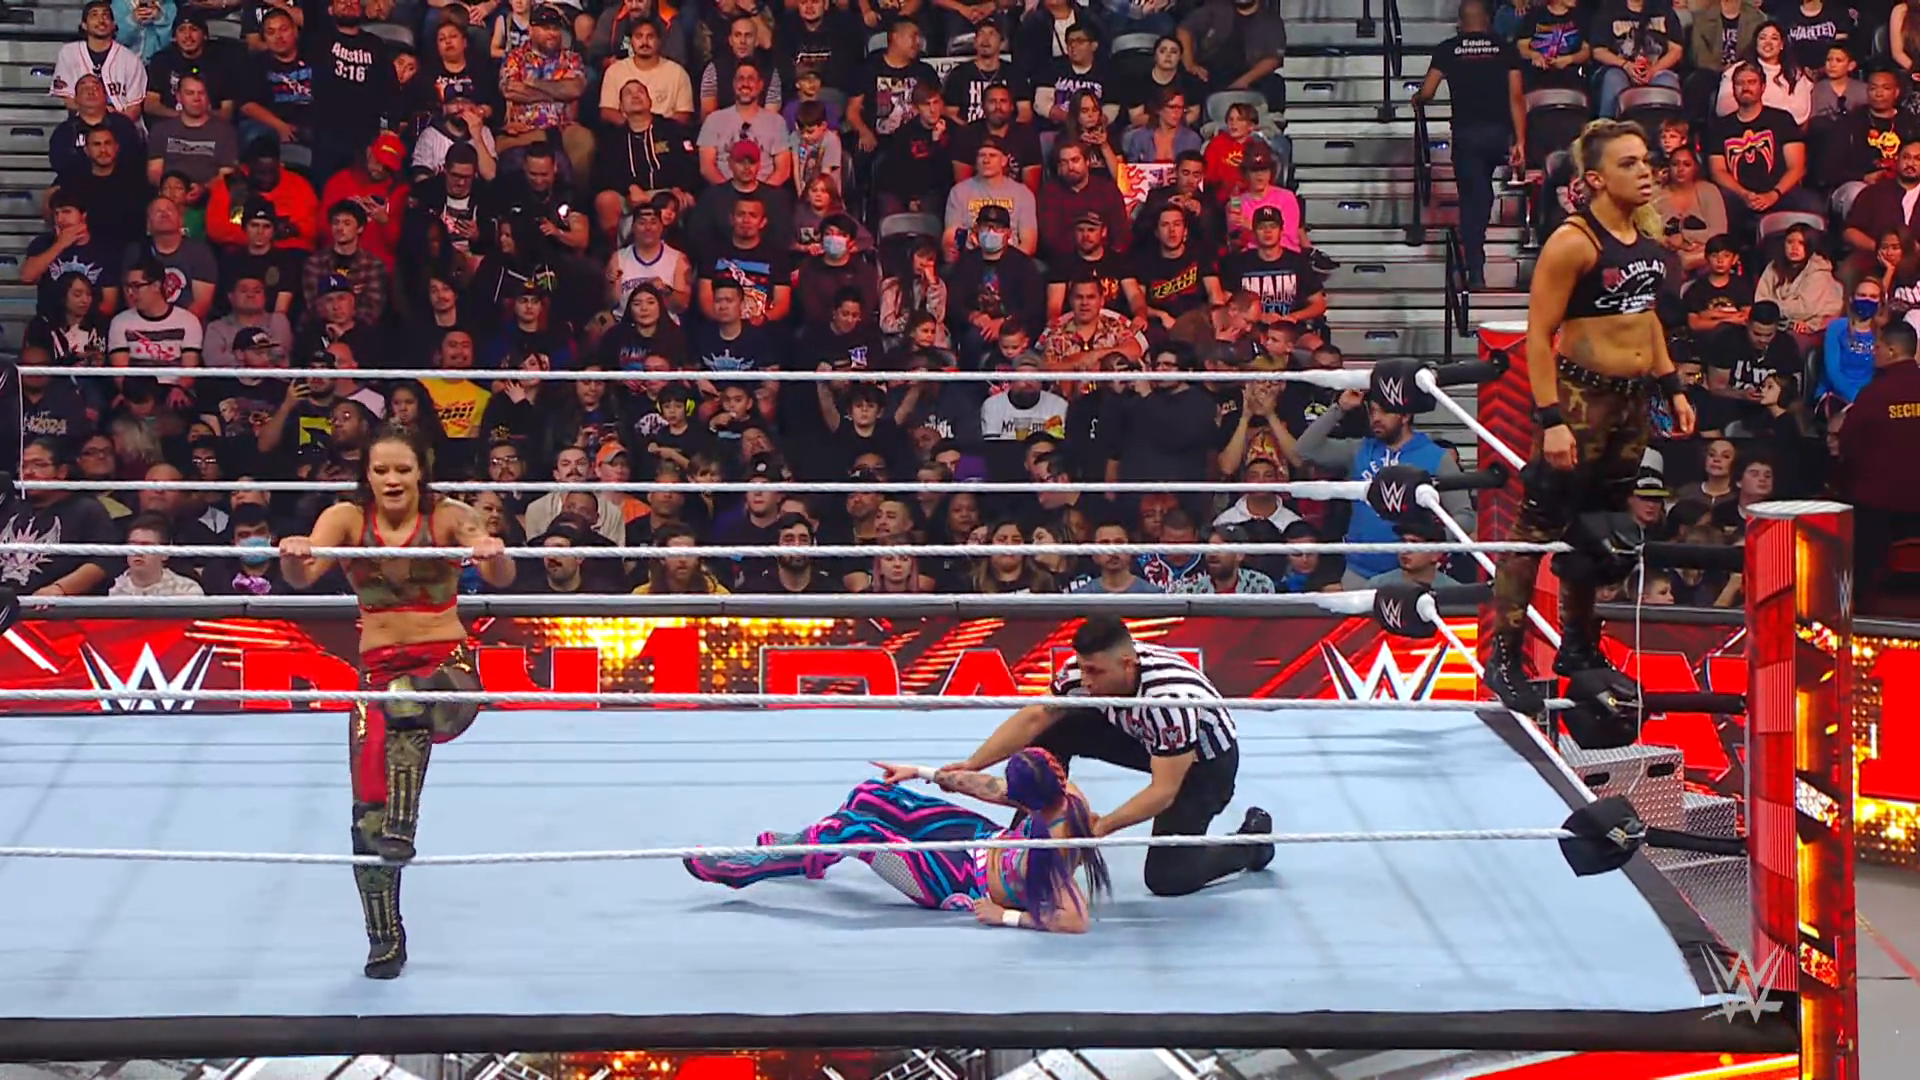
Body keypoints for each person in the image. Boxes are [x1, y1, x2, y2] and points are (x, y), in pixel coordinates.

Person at [276, 427, 514, 980]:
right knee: (366, 820)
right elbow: (300, 578)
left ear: (420, 471)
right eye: (381, 470)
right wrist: (293, 553)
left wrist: (491, 553)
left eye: (402, 469)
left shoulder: (450, 515)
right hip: (378, 675)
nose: (392, 479)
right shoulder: (344, 519)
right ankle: (384, 938)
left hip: (448, 673)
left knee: (407, 700)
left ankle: (403, 824)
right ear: (366, 474)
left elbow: (500, 573)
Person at [1486, 118, 1697, 716]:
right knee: (1535, 529)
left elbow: (1644, 316)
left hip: (1632, 402)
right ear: (1597, 179)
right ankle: (1503, 655)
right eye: (1629, 163)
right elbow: (1538, 334)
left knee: (1597, 526)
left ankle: (1578, 648)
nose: (1646, 171)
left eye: (1646, 160)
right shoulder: (1573, 241)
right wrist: (1551, 417)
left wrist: (1672, 386)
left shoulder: (1645, 235)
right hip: (1580, 400)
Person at [918, 615, 1273, 898]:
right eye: (1083, 668)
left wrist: (1100, 827)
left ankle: (1251, 843)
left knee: (1168, 876)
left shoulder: (1169, 703)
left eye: (1095, 672)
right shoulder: (1084, 672)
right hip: (1140, 734)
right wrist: (973, 764)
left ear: (1127, 665)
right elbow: (1034, 716)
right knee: (1056, 726)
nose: (1085, 680)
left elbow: (1163, 790)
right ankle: (1027, 833)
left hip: (1202, 765)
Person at [686, 748, 1110, 932]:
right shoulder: (1061, 792)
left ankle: (748, 867)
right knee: (871, 794)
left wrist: (1006, 917)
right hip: (983, 840)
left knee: (856, 832)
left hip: (960, 881)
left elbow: (1075, 919)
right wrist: (921, 772)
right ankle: (806, 850)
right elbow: (989, 787)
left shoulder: (1053, 847)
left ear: (1031, 800)